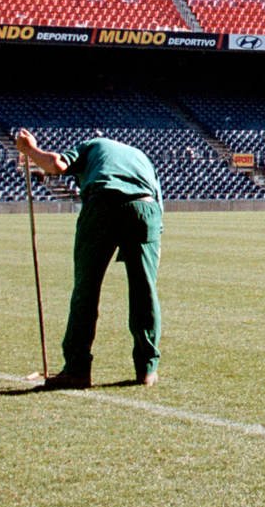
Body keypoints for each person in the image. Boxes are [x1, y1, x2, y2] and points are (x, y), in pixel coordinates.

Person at [13, 129, 163, 388]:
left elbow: (57, 165)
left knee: (86, 288)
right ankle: (147, 369)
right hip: (146, 209)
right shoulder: (140, 156)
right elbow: (159, 207)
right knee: (144, 291)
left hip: (103, 204)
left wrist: (30, 149)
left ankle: (77, 369)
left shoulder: (92, 145)